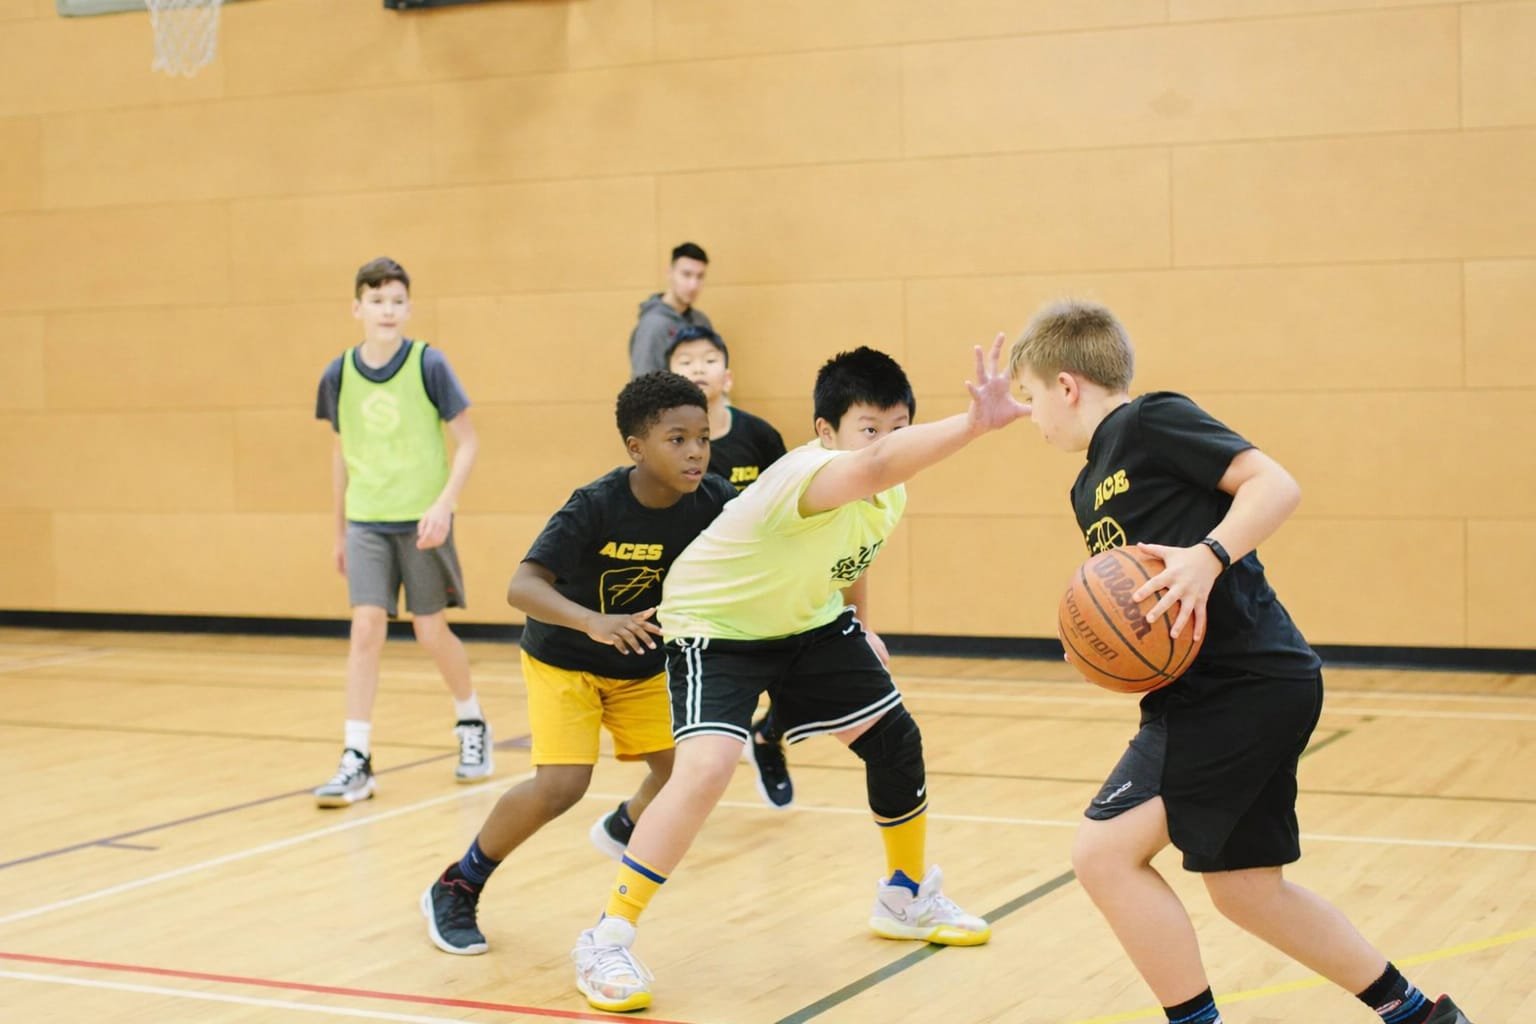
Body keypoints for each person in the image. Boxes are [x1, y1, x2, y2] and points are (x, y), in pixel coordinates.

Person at [1007, 299, 1475, 1024]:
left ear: (1066, 386)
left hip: (1242, 681)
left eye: (1030, 397)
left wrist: (1209, 555)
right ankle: (1419, 1015)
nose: (1031, 419)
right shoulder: (1084, 485)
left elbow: (1275, 484)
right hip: (1224, 689)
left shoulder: (1150, 420)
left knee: (1103, 856)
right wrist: (1100, 647)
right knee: (1247, 889)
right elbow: (1137, 607)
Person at [568, 339, 1029, 1013]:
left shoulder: (886, 494)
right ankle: (606, 937)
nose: (889, 445)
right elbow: (870, 467)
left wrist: (860, 625)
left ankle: (905, 895)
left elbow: (851, 552)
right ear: (826, 432)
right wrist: (972, 424)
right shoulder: (806, 471)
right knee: (705, 768)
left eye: (901, 429)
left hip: (806, 622)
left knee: (894, 739)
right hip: (716, 626)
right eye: (871, 429)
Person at [420, 372, 736, 956]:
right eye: (677, 439)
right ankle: (458, 882)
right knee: (562, 784)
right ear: (636, 448)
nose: (695, 451)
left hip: (640, 665)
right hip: (565, 659)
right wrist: (593, 620)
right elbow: (522, 586)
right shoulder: (596, 505)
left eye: (702, 438)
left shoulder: (714, 500)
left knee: (684, 774)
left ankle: (623, 826)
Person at [311, 257, 491, 808]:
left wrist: (444, 506)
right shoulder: (338, 373)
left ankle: (471, 723)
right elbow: (341, 454)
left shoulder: (429, 364)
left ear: (408, 308)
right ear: (357, 307)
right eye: (376, 300)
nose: (386, 310)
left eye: (395, 301)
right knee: (366, 628)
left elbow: (469, 442)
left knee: (430, 629)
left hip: (423, 520)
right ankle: (357, 756)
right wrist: (339, 531)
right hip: (367, 518)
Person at [664, 323, 798, 808]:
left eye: (707, 359)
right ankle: (676, 792)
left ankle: (767, 738)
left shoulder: (758, 435)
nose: (698, 368)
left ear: (729, 374)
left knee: (800, 677)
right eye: (684, 361)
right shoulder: (664, 444)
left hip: (765, 582)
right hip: (699, 594)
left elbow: (791, 500)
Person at [628, 242, 713, 378]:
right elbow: (643, 386)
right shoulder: (653, 325)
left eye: (700, 276)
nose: (693, 285)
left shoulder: (701, 321)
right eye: (686, 274)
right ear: (670, 273)